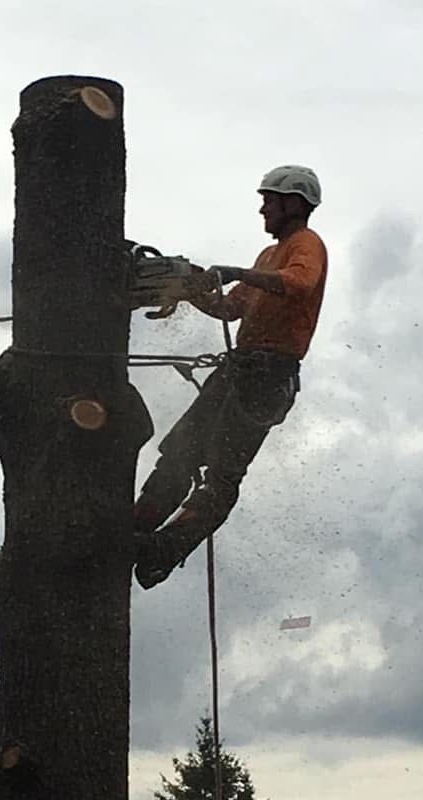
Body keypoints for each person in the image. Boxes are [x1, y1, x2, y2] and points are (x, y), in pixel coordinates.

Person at [133, 165, 328, 589]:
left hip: (269, 375)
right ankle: (133, 529)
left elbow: (299, 283)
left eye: (269, 201)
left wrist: (236, 272)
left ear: (293, 203)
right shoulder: (267, 256)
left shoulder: (306, 245)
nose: (262, 209)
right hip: (241, 368)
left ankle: (164, 550)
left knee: (222, 475)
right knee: (180, 452)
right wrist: (187, 288)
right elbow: (231, 309)